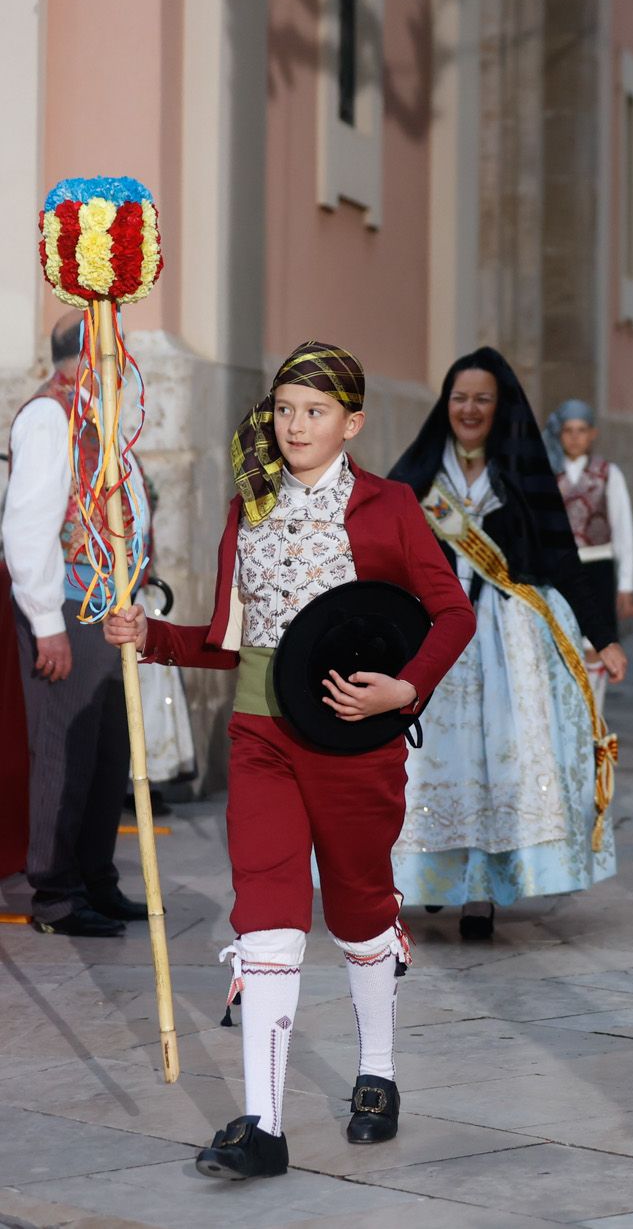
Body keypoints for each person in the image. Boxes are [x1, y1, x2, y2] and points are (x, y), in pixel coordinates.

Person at [105, 342, 475, 1179]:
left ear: (353, 422)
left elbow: (452, 614)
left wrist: (403, 691)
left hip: (354, 740)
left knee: (356, 908)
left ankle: (376, 1073)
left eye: (314, 410)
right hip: (260, 734)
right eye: (283, 408)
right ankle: (262, 1125)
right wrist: (151, 637)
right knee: (267, 915)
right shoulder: (251, 503)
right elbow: (226, 638)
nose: (295, 424)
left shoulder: (391, 506)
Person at [388, 348, 626, 940]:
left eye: (483, 398)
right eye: (460, 397)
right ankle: (421, 879)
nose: (469, 409)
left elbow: (564, 560)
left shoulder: (523, 473)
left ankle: (479, 895)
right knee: (427, 765)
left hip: (507, 639)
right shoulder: (415, 475)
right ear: (446, 404)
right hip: (432, 636)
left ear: (503, 408)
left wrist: (606, 637)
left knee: (498, 767)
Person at [3, 311, 148, 937]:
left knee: (108, 751)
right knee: (65, 752)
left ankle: (95, 878)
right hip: (66, 604)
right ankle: (56, 895)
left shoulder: (98, 414)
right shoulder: (50, 415)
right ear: (92, 354)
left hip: (107, 608)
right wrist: (46, 622)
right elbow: (27, 525)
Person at [545, 400, 633, 706]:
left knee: (596, 644)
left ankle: (594, 714)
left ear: (593, 433)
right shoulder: (548, 474)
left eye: (581, 430)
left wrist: (626, 584)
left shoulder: (608, 473)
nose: (574, 437)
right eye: (568, 430)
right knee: (561, 642)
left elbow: (623, 529)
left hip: (597, 567)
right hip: (559, 571)